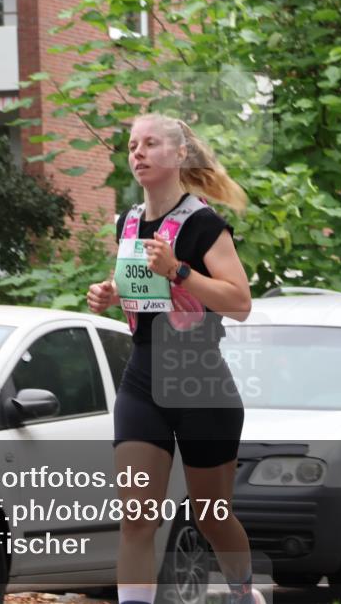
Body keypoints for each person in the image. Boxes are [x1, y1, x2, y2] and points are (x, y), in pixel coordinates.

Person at [86, 113, 260, 604]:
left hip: (200, 379)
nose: (137, 153)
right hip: (142, 378)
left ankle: (244, 593)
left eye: (151, 144)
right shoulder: (128, 221)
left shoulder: (203, 224)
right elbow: (141, 286)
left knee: (212, 517)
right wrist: (109, 292)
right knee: (137, 518)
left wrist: (180, 270)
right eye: (132, 145)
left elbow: (240, 303)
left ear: (179, 154)